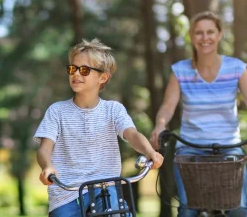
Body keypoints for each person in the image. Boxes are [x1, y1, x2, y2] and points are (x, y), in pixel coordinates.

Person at [34, 38, 163, 217]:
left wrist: (150, 152)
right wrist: (47, 167)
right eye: (73, 68)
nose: (76, 74)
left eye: (84, 70)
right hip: (66, 193)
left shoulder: (113, 109)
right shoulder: (57, 111)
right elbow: (44, 150)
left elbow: (132, 134)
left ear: (103, 77)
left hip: (105, 189)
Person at [150, 11, 247, 216]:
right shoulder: (180, 71)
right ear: (192, 37)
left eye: (210, 32)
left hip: (229, 147)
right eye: (199, 33)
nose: (205, 38)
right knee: (188, 210)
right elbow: (168, 107)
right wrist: (160, 125)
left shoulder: (237, 68)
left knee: (239, 209)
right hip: (191, 148)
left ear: (220, 34)